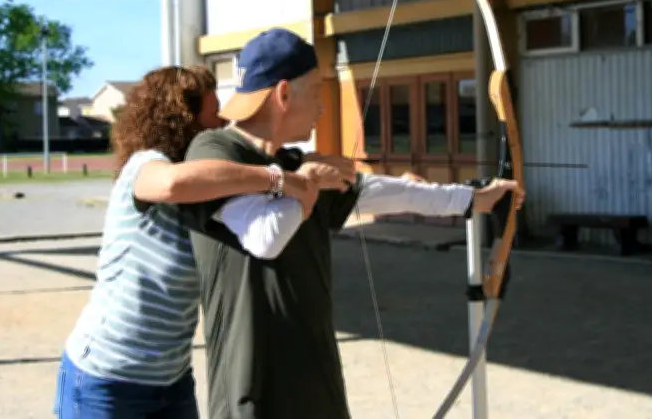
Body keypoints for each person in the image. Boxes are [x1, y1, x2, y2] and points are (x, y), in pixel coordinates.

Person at [178, 28, 525, 419]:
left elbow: (374, 189)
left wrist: (470, 198)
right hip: (254, 393)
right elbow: (264, 238)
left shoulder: (293, 163)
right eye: (316, 92)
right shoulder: (215, 151)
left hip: (316, 384)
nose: (323, 108)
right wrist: (308, 181)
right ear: (283, 94)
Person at [53, 66, 345, 419]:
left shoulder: (220, 187)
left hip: (171, 380)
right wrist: (278, 179)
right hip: (107, 378)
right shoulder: (145, 164)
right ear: (182, 119)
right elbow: (172, 185)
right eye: (212, 113)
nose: (222, 124)